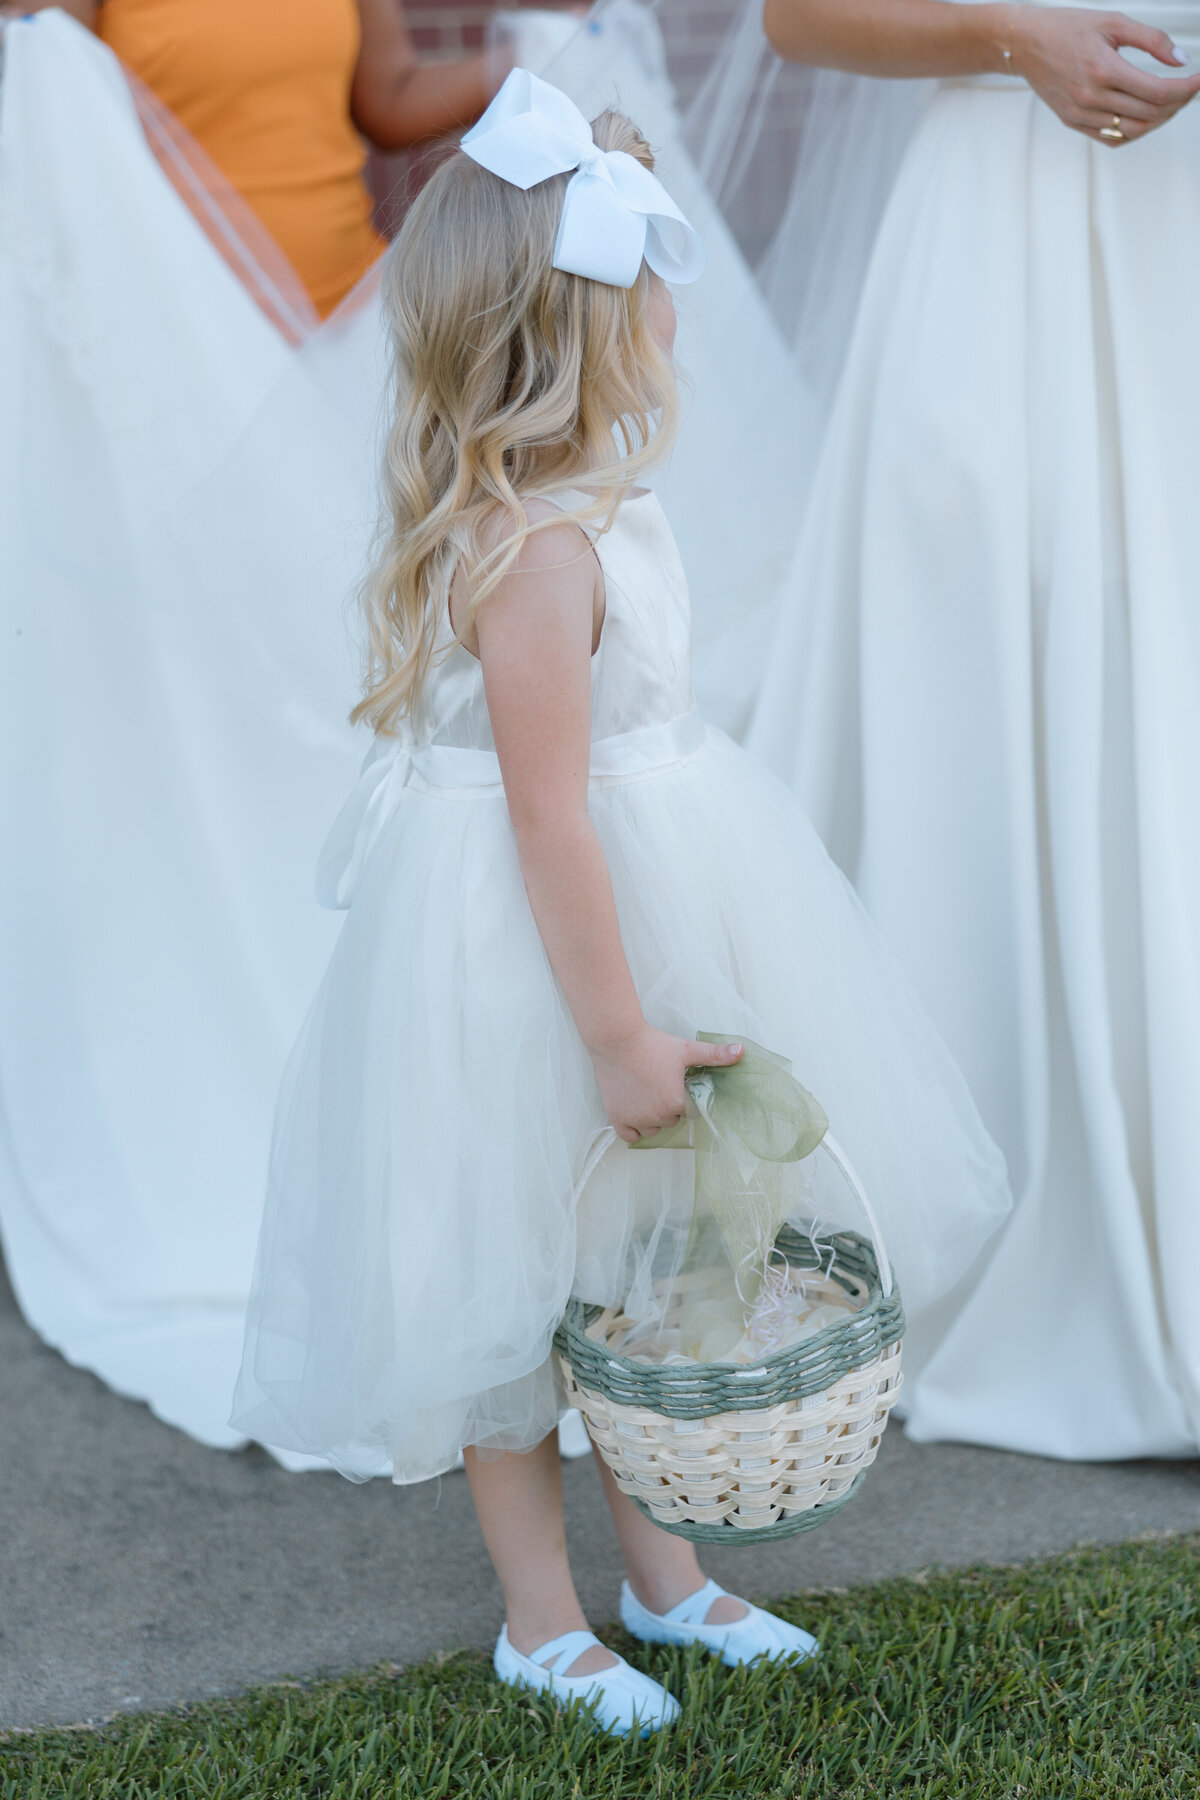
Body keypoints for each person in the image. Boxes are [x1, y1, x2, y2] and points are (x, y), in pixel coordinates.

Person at [231, 69, 1009, 1729]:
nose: (678, 299)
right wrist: (619, 1035)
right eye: (650, 268)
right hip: (533, 964)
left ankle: (668, 1583)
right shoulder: (539, 555)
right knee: (510, 1284)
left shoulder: (598, 512)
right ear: (578, 321)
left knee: (635, 1267)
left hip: (630, 908)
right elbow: (545, 822)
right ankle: (540, 1618)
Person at [743, 0, 1200, 1456]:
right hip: (999, 245)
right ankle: (1002, 1209)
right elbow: (796, 18)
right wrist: (1018, 35)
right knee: (992, 684)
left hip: (1174, 232)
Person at [26, 0, 503, 317]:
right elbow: (52, 134)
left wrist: (526, 59)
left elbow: (391, 96)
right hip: (187, 333)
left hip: (351, 318)